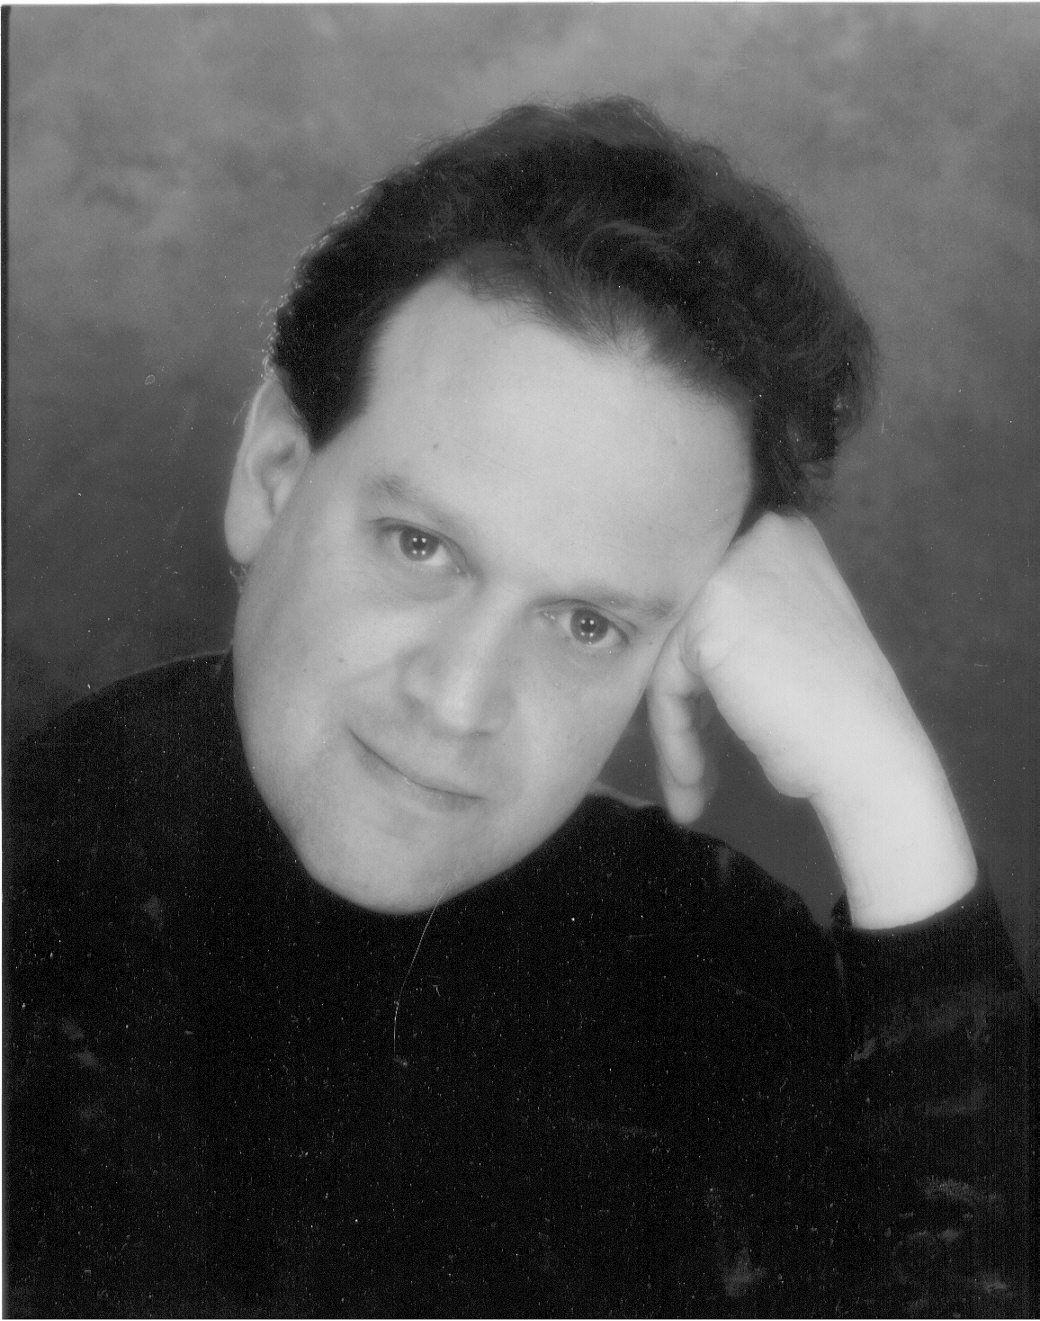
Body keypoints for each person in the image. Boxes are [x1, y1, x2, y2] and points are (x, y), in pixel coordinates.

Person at [6, 98, 1034, 1318]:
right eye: (420, 546)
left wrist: (883, 782)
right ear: (273, 479)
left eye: (585, 622)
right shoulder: (32, 890)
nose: (458, 701)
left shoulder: (716, 975)